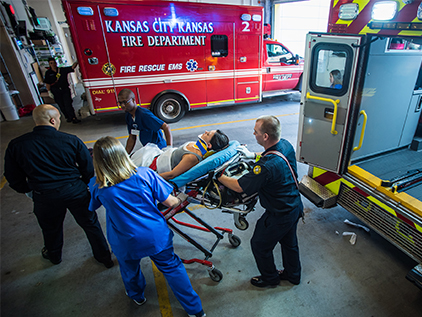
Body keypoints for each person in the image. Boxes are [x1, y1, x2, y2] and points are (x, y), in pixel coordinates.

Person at [89, 136, 206, 317]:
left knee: (129, 269)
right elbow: (170, 202)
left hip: (124, 239)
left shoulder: (97, 184)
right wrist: (180, 199)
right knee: (172, 267)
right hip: (154, 235)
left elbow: (93, 206)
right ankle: (195, 310)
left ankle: (137, 296)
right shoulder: (144, 174)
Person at [4, 104, 113, 268]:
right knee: (90, 224)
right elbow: (88, 169)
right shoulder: (71, 140)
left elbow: (12, 176)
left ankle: (54, 256)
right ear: (52, 120)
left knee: (50, 229)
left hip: (44, 195)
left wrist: (28, 189)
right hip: (75, 191)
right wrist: (80, 185)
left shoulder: (17, 145)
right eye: (59, 119)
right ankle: (104, 257)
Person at [217, 115, 303, 288]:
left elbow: (239, 186)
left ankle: (270, 278)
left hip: (279, 213)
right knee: (289, 243)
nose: (253, 133)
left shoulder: (265, 167)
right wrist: (252, 155)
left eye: (255, 132)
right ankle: (293, 275)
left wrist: (220, 177)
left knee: (259, 245)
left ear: (265, 136)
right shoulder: (285, 144)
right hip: (294, 206)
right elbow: (269, 156)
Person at [131, 129, 229, 180]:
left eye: (208, 134)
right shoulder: (196, 146)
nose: (205, 131)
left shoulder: (193, 156)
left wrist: (146, 177)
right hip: (156, 156)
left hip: (154, 166)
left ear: (209, 145)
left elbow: (172, 175)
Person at [118, 88, 172, 153]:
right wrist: (126, 155)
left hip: (158, 148)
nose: (122, 105)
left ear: (133, 100)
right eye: (120, 103)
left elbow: (166, 127)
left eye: (125, 102)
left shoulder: (144, 114)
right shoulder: (129, 116)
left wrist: (169, 148)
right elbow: (132, 137)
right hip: (148, 149)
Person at [44, 57, 81, 124]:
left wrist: (77, 61)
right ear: (49, 64)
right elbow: (47, 83)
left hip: (64, 89)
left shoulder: (62, 70)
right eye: (51, 63)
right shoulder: (48, 73)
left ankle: (73, 117)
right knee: (61, 105)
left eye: (54, 63)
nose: (53, 64)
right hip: (56, 91)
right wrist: (49, 91)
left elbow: (72, 68)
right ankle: (68, 117)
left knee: (68, 104)